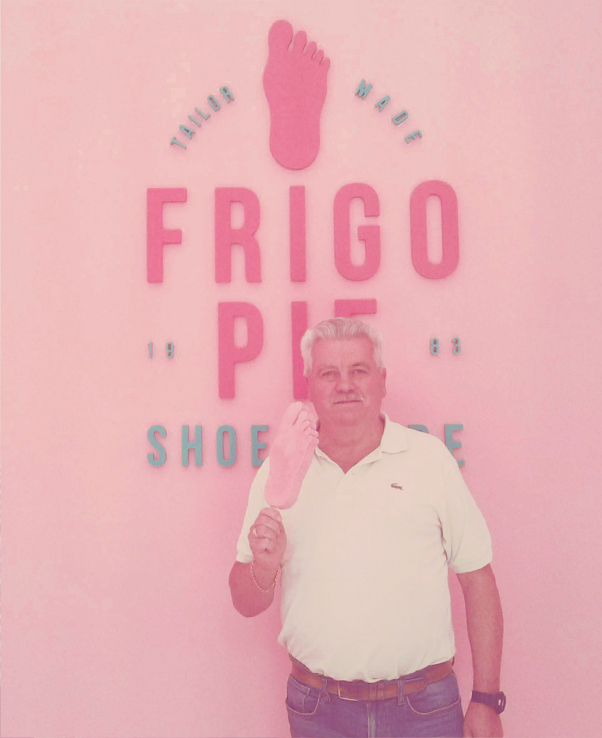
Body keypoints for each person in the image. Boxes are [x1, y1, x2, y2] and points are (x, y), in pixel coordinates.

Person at [229, 318, 505, 738]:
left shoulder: (429, 461)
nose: (345, 385)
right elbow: (244, 601)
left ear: (382, 380)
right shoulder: (276, 473)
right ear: (309, 384)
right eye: (329, 373)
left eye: (358, 370)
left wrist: (486, 700)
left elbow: (477, 578)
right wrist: (263, 567)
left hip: (425, 709)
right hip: (317, 711)